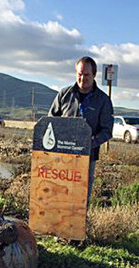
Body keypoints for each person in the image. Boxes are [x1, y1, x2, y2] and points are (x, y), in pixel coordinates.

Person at [48, 56, 114, 199]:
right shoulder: (64, 95)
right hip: (62, 157)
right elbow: (50, 122)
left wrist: (88, 144)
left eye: (86, 75)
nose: (82, 78)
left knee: (80, 198)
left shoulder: (103, 100)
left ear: (94, 75)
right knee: (58, 195)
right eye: (79, 74)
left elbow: (107, 131)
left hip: (86, 158)